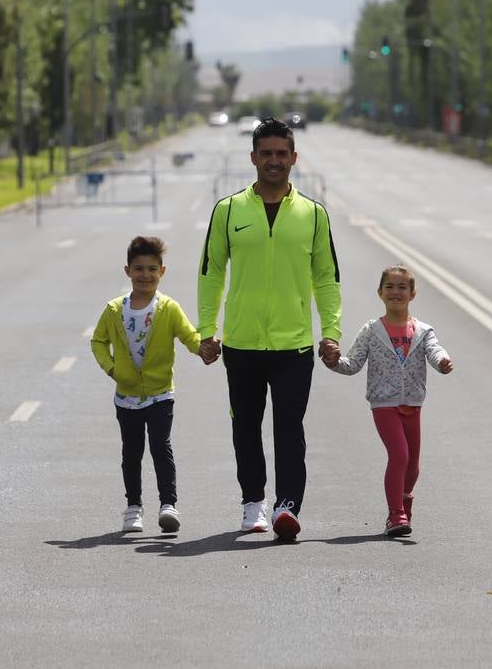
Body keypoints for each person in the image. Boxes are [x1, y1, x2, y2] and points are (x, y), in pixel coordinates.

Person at [198, 117, 342, 542]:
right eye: (267, 153)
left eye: (282, 153)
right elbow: (211, 273)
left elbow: (327, 278)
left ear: (294, 158)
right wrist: (208, 329)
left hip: (293, 344)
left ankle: (287, 506)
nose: (274, 161)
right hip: (241, 342)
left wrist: (330, 331)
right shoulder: (228, 211)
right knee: (245, 426)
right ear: (253, 158)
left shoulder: (313, 215)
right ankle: (252, 502)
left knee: (288, 428)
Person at [91, 236, 211, 534]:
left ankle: (168, 505)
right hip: (127, 396)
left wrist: (205, 349)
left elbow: (189, 337)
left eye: (152, 269)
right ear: (128, 271)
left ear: (162, 271)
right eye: (139, 269)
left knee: (160, 446)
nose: (146, 275)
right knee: (131, 452)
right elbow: (98, 342)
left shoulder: (168, 308)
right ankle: (133, 508)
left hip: (160, 394)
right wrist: (111, 368)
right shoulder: (114, 310)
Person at [324, 265, 454, 537]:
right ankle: (396, 516)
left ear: (413, 293)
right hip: (384, 403)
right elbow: (353, 363)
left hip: (413, 402)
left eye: (402, 287)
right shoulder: (372, 330)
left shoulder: (423, 330)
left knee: (413, 466)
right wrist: (333, 361)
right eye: (390, 287)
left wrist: (442, 362)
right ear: (380, 292)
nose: (396, 292)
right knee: (399, 455)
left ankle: (404, 502)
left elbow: (434, 350)